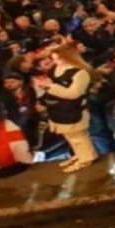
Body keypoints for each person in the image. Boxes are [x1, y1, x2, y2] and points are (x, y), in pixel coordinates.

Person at [34, 43, 99, 172]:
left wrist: (50, 86)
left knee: (79, 137)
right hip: (58, 108)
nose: (56, 62)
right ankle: (79, 155)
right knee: (69, 136)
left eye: (58, 59)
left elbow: (74, 94)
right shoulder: (56, 69)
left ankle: (86, 157)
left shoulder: (80, 72)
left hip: (74, 109)